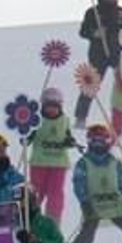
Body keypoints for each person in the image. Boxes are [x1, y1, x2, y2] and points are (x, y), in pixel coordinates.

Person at [61, 125, 122, 243]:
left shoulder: (115, 162)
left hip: (115, 205)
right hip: (94, 206)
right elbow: (79, 184)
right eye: (95, 141)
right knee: (86, 236)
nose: (99, 144)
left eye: (102, 140)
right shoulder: (84, 163)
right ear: (89, 142)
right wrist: (84, 203)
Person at [74, 0, 122, 124]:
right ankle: (80, 118)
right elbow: (83, 31)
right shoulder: (93, 12)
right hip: (98, 55)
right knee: (91, 84)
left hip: (117, 53)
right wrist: (95, 33)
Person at [26, 88, 76, 225]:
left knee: (55, 194)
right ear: (43, 106)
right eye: (48, 107)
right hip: (39, 162)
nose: (51, 110)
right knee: (37, 192)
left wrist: (70, 141)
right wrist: (26, 137)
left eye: (55, 107)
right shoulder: (36, 120)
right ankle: (31, 219)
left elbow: (68, 136)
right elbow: (29, 136)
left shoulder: (64, 120)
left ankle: (53, 223)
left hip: (59, 163)